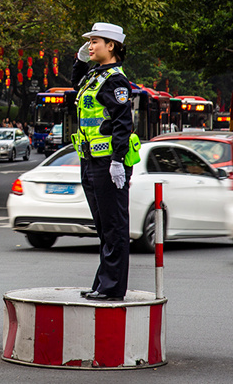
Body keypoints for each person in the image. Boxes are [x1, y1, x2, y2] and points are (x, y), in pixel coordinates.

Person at [72, 22, 134, 302]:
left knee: (114, 226)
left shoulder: (115, 80)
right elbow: (76, 86)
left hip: (109, 163)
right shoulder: (94, 76)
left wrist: (118, 160)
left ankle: (112, 288)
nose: (91, 46)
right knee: (103, 226)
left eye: (95, 41)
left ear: (112, 46)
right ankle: (102, 283)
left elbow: (123, 122)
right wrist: (79, 60)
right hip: (90, 161)